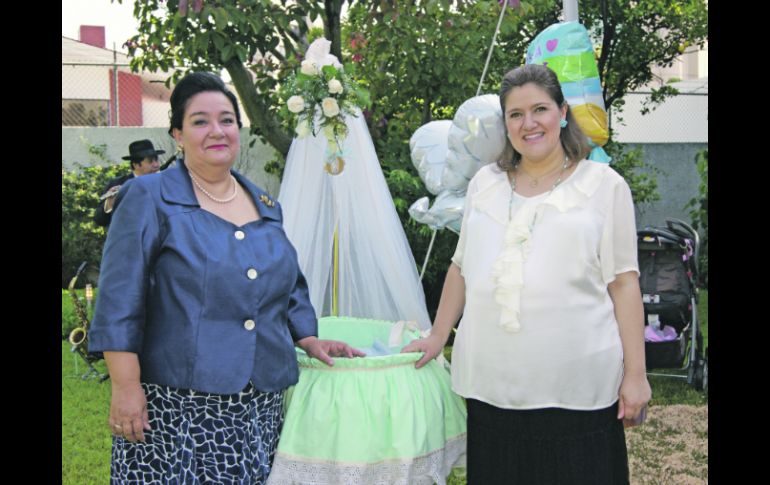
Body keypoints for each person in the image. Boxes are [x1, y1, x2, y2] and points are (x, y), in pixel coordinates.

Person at [88, 71, 364, 484]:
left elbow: (287, 287)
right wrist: (125, 387)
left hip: (259, 404)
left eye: (227, 120)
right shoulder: (148, 197)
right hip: (178, 409)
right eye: (200, 121)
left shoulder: (265, 203)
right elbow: (118, 300)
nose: (217, 131)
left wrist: (307, 336)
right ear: (177, 135)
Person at [403, 64, 651, 484]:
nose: (529, 123)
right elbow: (462, 267)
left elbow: (624, 283)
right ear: (506, 124)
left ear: (563, 112)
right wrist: (438, 334)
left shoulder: (604, 185)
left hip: (577, 385)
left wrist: (636, 375)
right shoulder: (486, 182)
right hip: (491, 384)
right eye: (516, 114)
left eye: (540, 109)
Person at [93, 139, 164, 227]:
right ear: (136, 165)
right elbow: (99, 220)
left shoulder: (163, 183)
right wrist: (110, 203)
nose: (156, 165)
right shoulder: (118, 183)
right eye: (150, 161)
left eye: (156, 160)